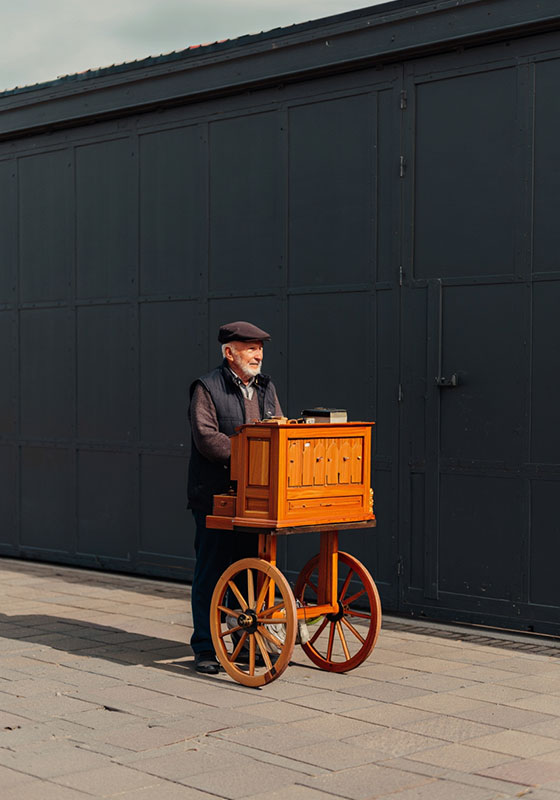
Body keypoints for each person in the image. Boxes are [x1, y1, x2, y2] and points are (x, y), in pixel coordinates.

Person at [187, 321, 283, 674]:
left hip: (256, 498)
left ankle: (244, 644)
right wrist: (252, 453)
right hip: (214, 496)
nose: (257, 354)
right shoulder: (206, 387)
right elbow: (207, 439)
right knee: (211, 573)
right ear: (229, 352)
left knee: (247, 576)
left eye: (260, 347)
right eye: (249, 347)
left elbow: (278, 430)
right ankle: (206, 648)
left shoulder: (266, 387)